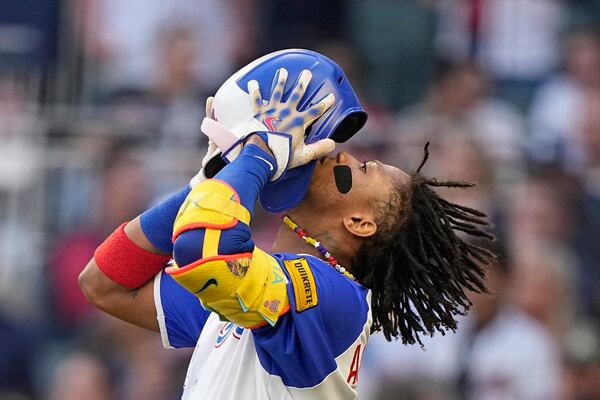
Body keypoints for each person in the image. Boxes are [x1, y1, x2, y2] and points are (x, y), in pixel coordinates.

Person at [79, 68, 493, 399]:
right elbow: (105, 283)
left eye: (366, 170)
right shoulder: (253, 290)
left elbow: (203, 252)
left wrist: (257, 154)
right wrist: (205, 182)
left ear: (360, 224)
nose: (344, 154)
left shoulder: (332, 296)